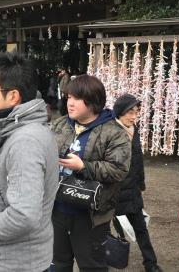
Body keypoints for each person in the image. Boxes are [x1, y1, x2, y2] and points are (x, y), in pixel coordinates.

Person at [0, 51, 58, 271]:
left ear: (13, 96)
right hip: (26, 255)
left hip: (13, 261)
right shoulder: (27, 130)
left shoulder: (25, 141)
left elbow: (23, 216)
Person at [51, 75, 131, 272]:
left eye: (76, 98)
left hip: (91, 216)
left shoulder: (114, 132)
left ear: (93, 100)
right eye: (68, 97)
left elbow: (118, 170)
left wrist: (83, 166)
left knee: (92, 266)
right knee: (58, 264)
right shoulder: (60, 125)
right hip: (57, 209)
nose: (70, 103)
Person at [112, 94, 163, 272]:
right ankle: (105, 260)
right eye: (129, 112)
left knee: (141, 227)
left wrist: (141, 184)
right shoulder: (110, 130)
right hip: (113, 191)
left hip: (132, 190)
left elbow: (139, 159)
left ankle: (151, 264)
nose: (133, 116)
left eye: (136, 112)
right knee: (108, 228)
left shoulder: (134, 129)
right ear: (119, 113)